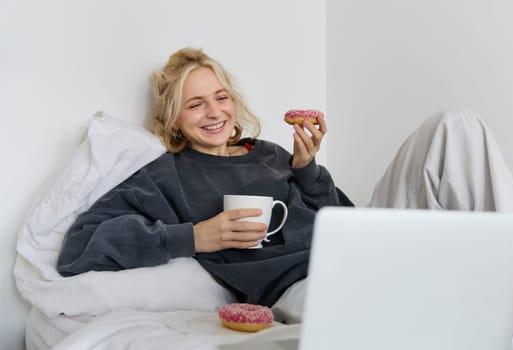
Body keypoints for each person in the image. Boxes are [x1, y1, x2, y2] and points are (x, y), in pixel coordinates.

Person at [56, 47, 353, 308]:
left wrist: (307, 169)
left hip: (343, 260)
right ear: (173, 118)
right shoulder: (163, 176)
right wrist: (194, 237)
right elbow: (79, 247)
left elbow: (341, 219)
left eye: (221, 98)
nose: (214, 112)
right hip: (295, 288)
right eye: (196, 104)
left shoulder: (270, 153)